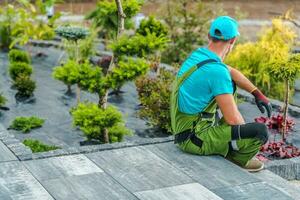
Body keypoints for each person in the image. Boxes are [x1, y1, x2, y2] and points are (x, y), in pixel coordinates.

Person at [170, 16, 272, 172]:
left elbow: (230, 71)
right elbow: (233, 119)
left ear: (209, 36)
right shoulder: (217, 72)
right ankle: (236, 158)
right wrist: (245, 136)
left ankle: (226, 146)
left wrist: (256, 93)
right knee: (260, 132)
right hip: (196, 140)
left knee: (230, 81)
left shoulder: (200, 56)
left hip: (186, 132)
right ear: (232, 41)